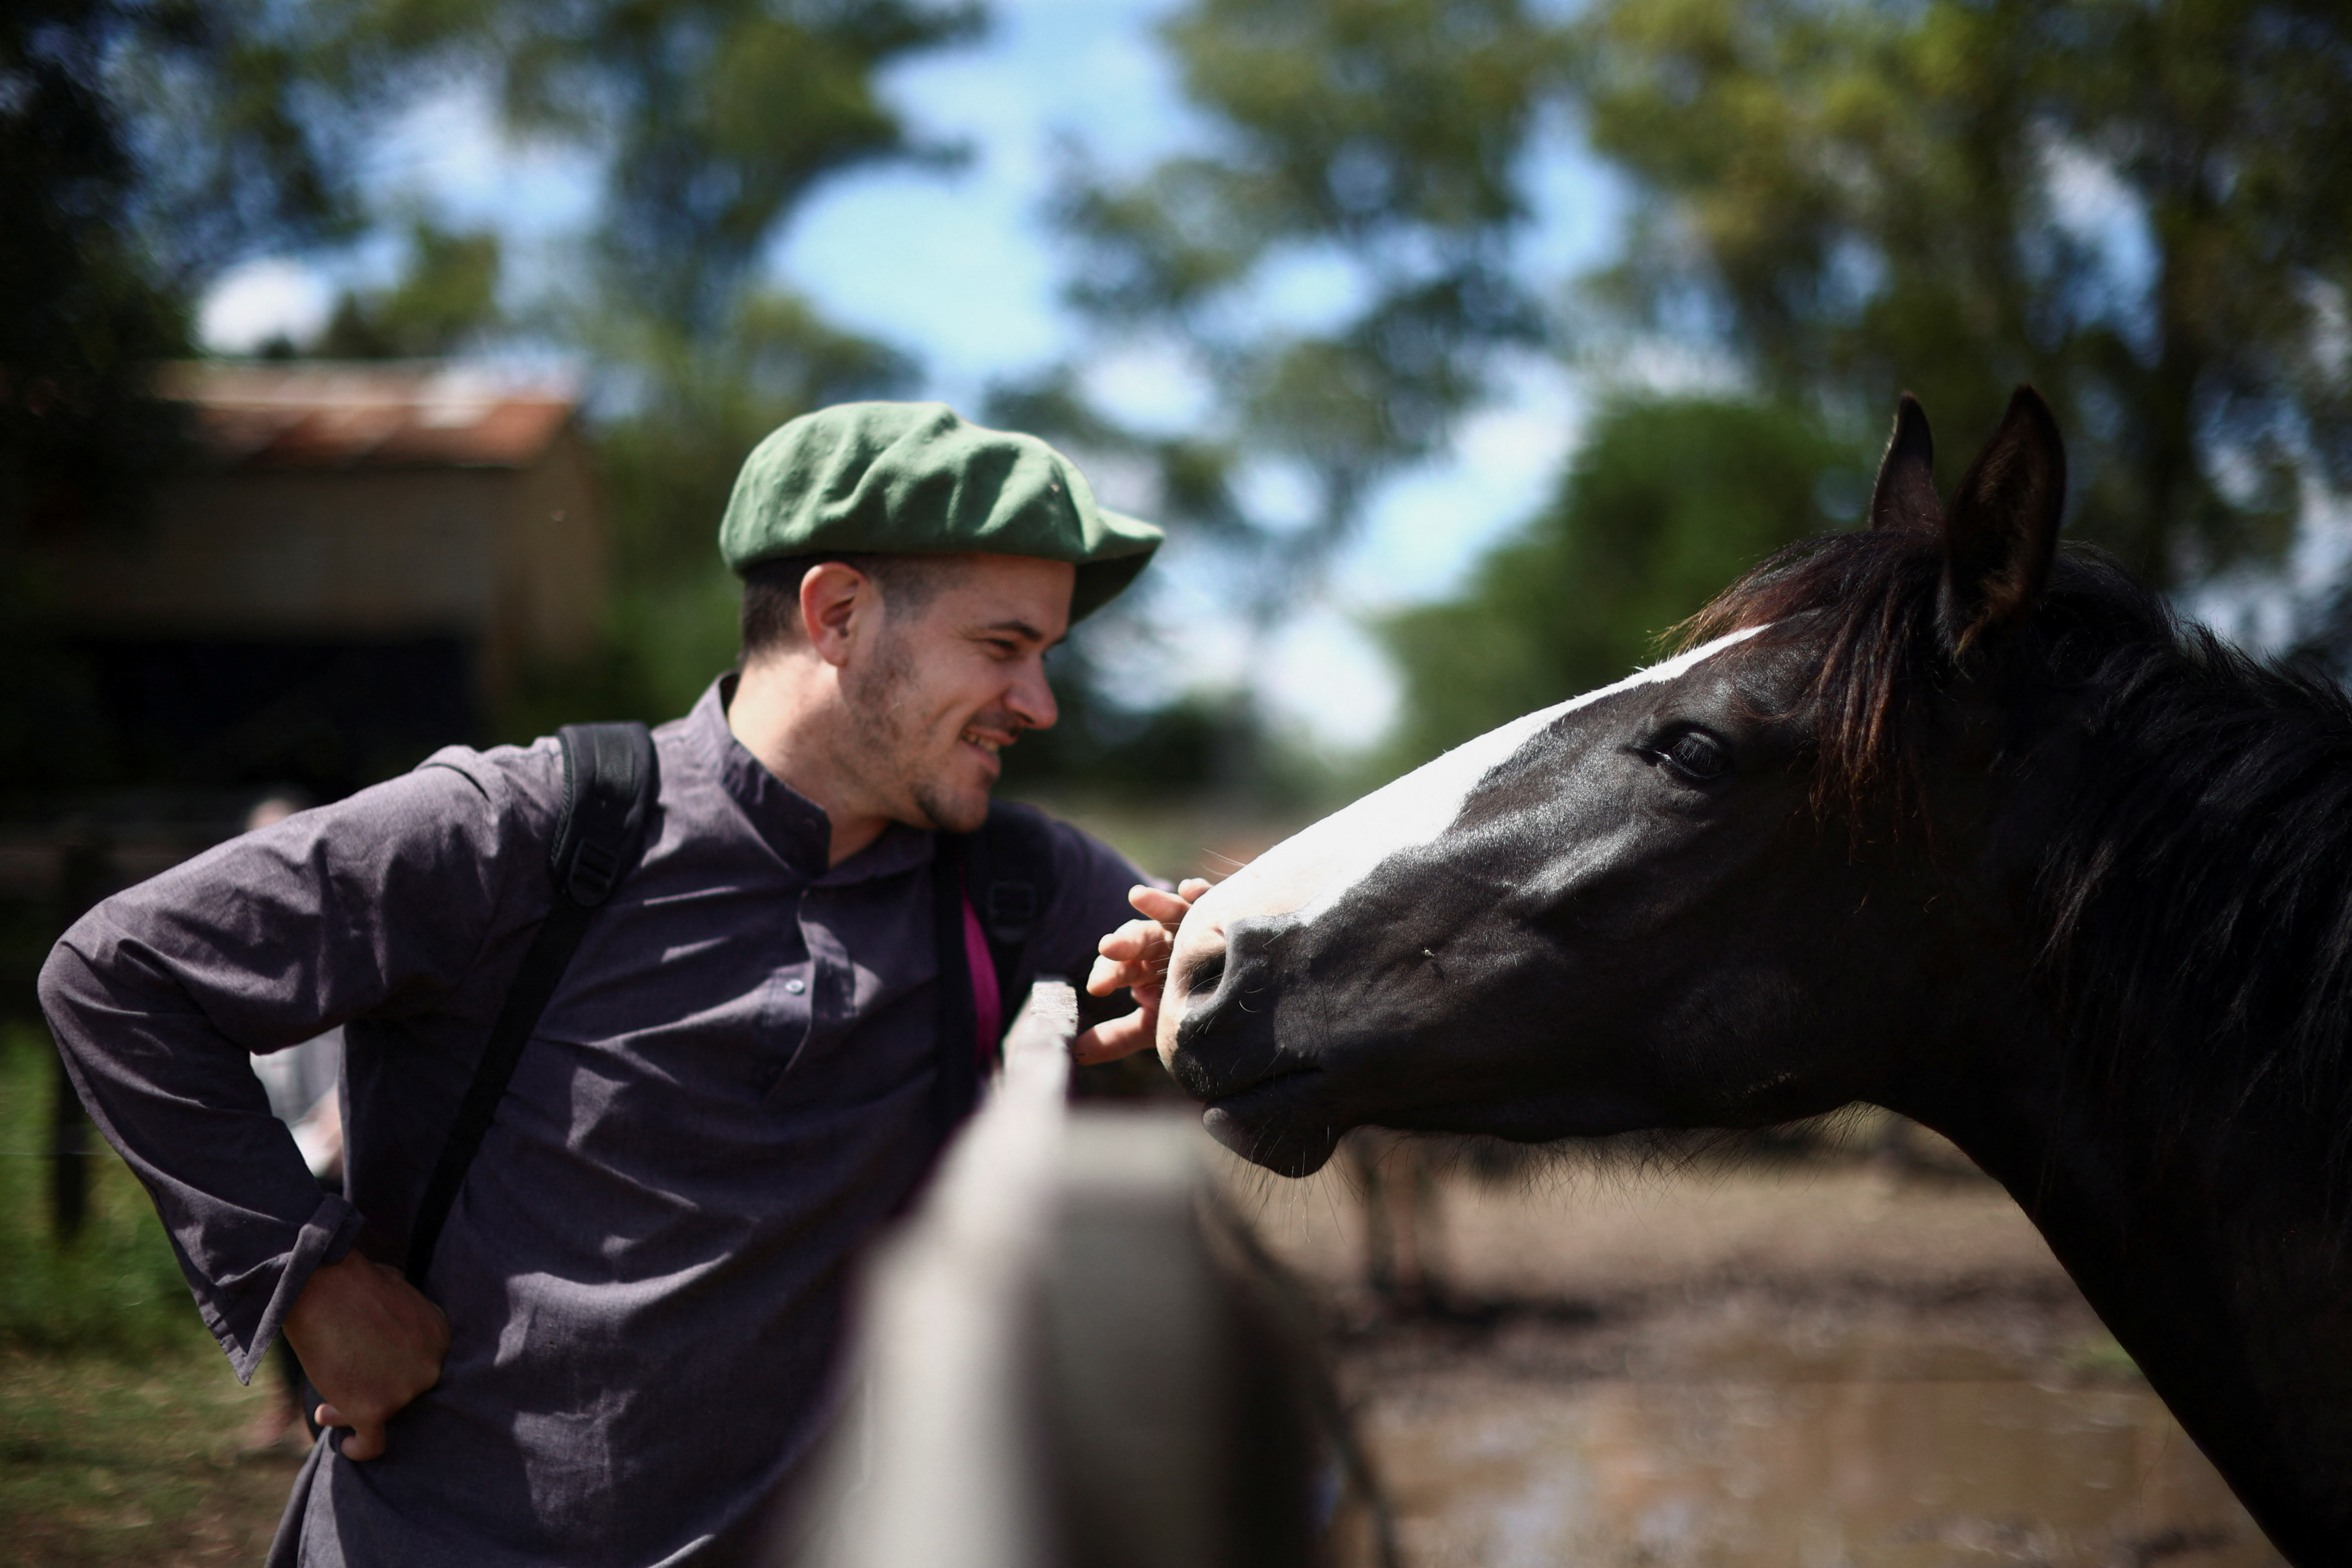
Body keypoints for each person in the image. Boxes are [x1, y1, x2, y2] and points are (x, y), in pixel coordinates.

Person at [38, 402, 1200, 1568]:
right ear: (838, 614)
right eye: (1003, 647)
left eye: (1045, 658)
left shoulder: (1016, 879)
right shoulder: (531, 833)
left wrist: (1175, 985)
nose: (1040, 705)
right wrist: (314, 1287)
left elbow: (1234, 968)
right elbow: (118, 973)